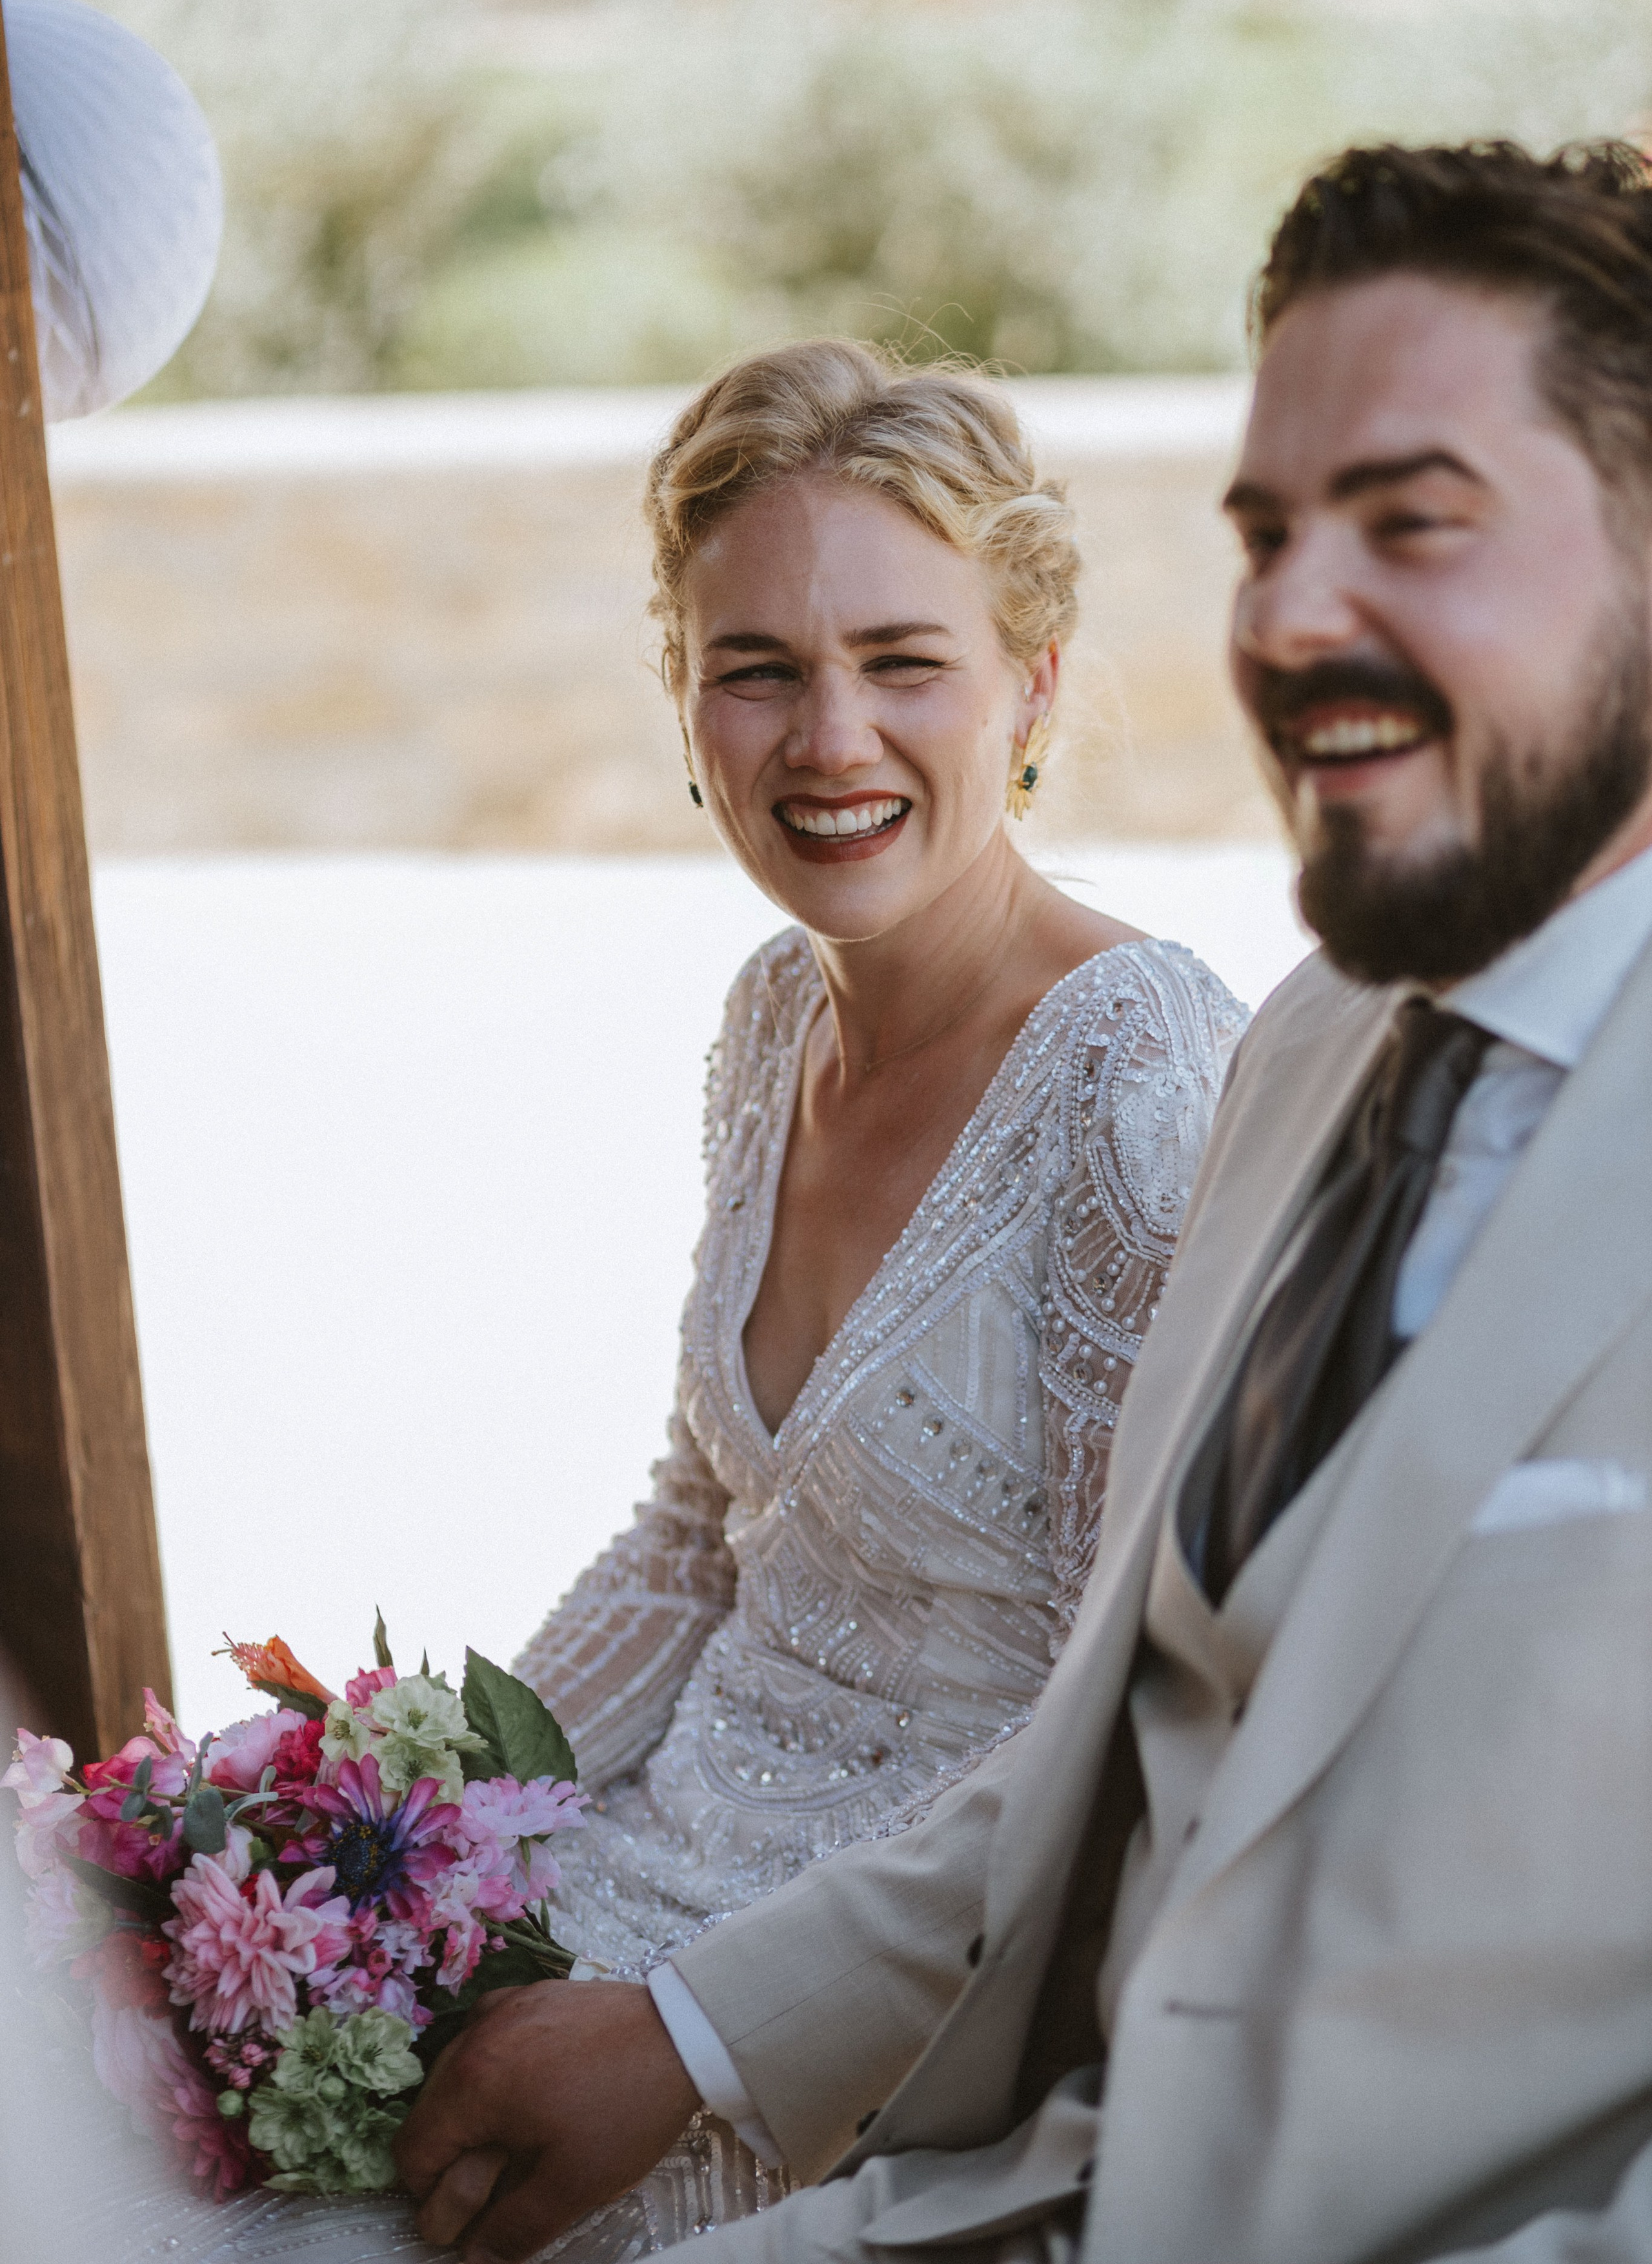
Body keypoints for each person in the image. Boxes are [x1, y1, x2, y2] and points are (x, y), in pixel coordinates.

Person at [396, 141, 1652, 2264]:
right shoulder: (1319, 1048)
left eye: (1416, 525)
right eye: (1267, 534)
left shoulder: (1155, 1058)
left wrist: (704, 2052)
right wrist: (424, 1833)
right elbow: (1073, 1721)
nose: (1295, 616)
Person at [51, 339, 1240, 2264]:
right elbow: (701, 1547)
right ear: (685, 709)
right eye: (755, 668)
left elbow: (1137, 1713)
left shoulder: (1144, 1087)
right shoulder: (774, 1024)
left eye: (902, 663)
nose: (829, 739)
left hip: (887, 2012)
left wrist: (679, 2040)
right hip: (637, 1871)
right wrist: (376, 1818)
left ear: (1029, 681)